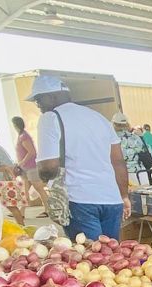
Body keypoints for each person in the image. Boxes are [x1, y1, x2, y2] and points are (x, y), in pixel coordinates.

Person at [29, 75, 129, 240]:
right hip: (111, 200)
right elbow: (118, 162)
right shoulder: (99, 118)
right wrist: (123, 195)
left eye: (39, 99)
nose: (38, 105)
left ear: (52, 96)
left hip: (80, 201)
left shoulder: (50, 118)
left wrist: (44, 180)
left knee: (89, 259)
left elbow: (48, 167)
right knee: (112, 258)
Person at [12, 116, 49, 216]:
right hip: (25, 168)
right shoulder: (21, 136)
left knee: (39, 188)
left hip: (30, 167)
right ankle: (21, 211)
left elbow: (31, 152)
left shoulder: (24, 136)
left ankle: (48, 210)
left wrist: (21, 162)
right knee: (24, 190)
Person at [113, 113, 152, 186]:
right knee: (144, 196)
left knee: (128, 196)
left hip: (124, 175)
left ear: (114, 125)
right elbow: (149, 154)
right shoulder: (136, 137)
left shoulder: (113, 140)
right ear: (127, 124)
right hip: (141, 173)